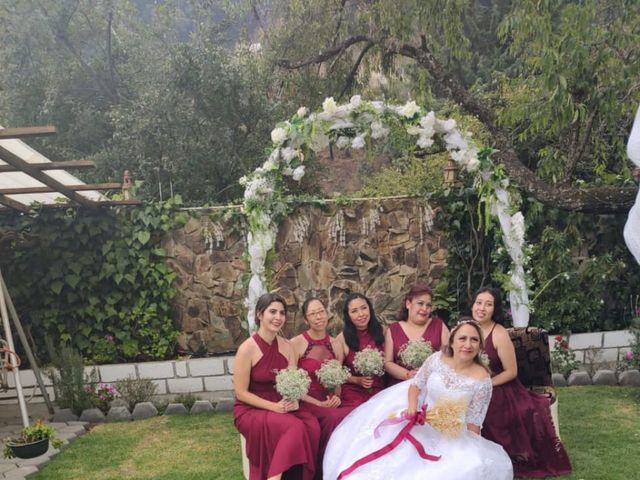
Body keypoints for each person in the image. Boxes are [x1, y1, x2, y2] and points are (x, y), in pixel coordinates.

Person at [323, 319, 513, 480]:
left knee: (466, 466)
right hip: (420, 418)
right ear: (452, 342)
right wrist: (413, 409)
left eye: (474, 340)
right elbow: (416, 384)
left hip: (451, 433)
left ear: (480, 346)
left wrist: (472, 446)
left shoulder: (482, 379)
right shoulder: (437, 359)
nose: (468, 344)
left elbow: (474, 421)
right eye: (462, 338)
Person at [471, 286, 571, 477]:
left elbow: (511, 371)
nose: (482, 308)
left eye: (488, 304)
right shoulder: (467, 329)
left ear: (495, 309)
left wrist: (485, 385)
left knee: (490, 410)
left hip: (499, 385)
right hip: (471, 385)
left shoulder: (498, 333)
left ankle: (499, 458)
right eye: (479, 302)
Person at [233, 293, 321, 480]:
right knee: (294, 427)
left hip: (281, 402)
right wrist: (274, 407)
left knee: (312, 426)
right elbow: (240, 393)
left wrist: (294, 400)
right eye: (272, 312)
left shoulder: (288, 346)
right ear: (259, 315)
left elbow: (292, 383)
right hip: (251, 407)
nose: (278, 317)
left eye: (282, 313)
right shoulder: (246, 349)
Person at [291, 297, 353, 479]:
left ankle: (341, 468)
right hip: (305, 400)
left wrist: (336, 397)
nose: (318, 317)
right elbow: (293, 383)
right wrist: (317, 402)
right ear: (305, 319)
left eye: (321, 312)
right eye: (312, 314)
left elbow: (338, 380)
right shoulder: (296, 343)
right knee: (333, 418)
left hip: (328, 401)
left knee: (349, 415)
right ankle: (319, 472)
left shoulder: (336, 344)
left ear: (327, 314)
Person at [385, 284, 450, 385]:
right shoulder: (394, 329)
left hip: (432, 383)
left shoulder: (439, 325)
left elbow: (449, 357)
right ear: (408, 304)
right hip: (400, 385)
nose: (424, 309)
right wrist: (407, 374)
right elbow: (388, 362)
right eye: (420, 303)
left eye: (428, 305)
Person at [335, 292, 386, 408]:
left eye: (364, 308)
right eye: (354, 311)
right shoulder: (341, 338)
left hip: (379, 388)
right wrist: (356, 380)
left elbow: (389, 361)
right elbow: (337, 373)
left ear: (370, 309)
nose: (361, 314)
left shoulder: (383, 331)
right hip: (353, 390)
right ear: (348, 315)